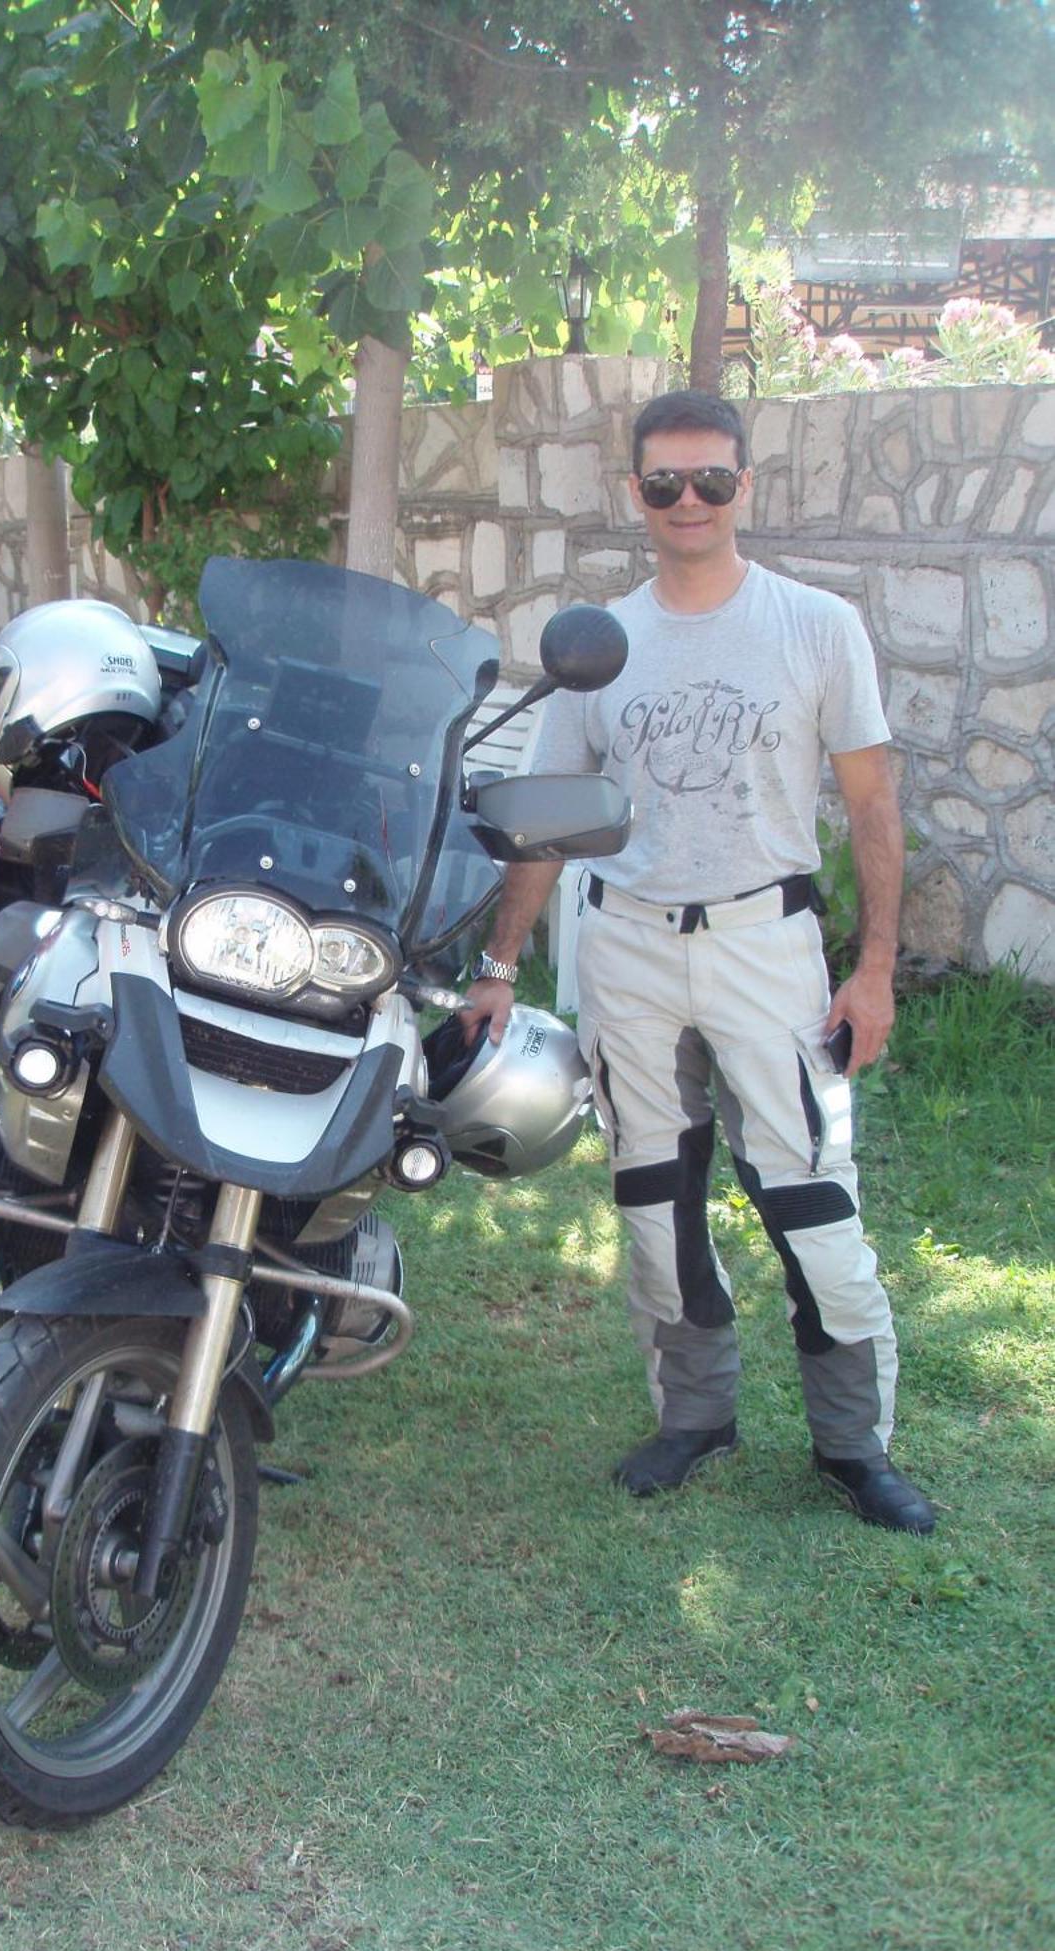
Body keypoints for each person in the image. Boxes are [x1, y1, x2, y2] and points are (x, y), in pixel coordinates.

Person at [462, 389, 935, 1534]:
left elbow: (872, 806)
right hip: (627, 944)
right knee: (652, 1202)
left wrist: (872, 969)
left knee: (813, 1202)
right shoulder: (602, 644)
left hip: (764, 947)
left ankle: (852, 1444)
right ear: (636, 493)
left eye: (711, 481)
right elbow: (547, 819)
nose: (689, 501)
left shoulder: (815, 626)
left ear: (744, 489)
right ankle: (695, 1416)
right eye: (666, 482)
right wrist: (498, 962)